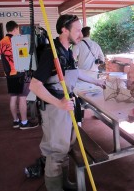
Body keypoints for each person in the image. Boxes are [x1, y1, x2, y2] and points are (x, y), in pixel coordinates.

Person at [29, 14, 105, 191]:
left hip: (67, 105)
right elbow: (35, 85)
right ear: (64, 30)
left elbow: (75, 72)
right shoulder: (51, 54)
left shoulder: (67, 51)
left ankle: (64, 183)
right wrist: (58, 103)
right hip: (55, 109)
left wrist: (96, 82)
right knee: (56, 152)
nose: (80, 34)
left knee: (65, 147)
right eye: (77, 30)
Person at [0, 20, 38, 129]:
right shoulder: (18, 40)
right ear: (15, 29)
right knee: (22, 98)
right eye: (18, 30)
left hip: (9, 74)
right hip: (20, 73)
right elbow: (24, 57)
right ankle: (24, 123)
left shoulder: (2, 41)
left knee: (13, 97)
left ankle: (16, 121)